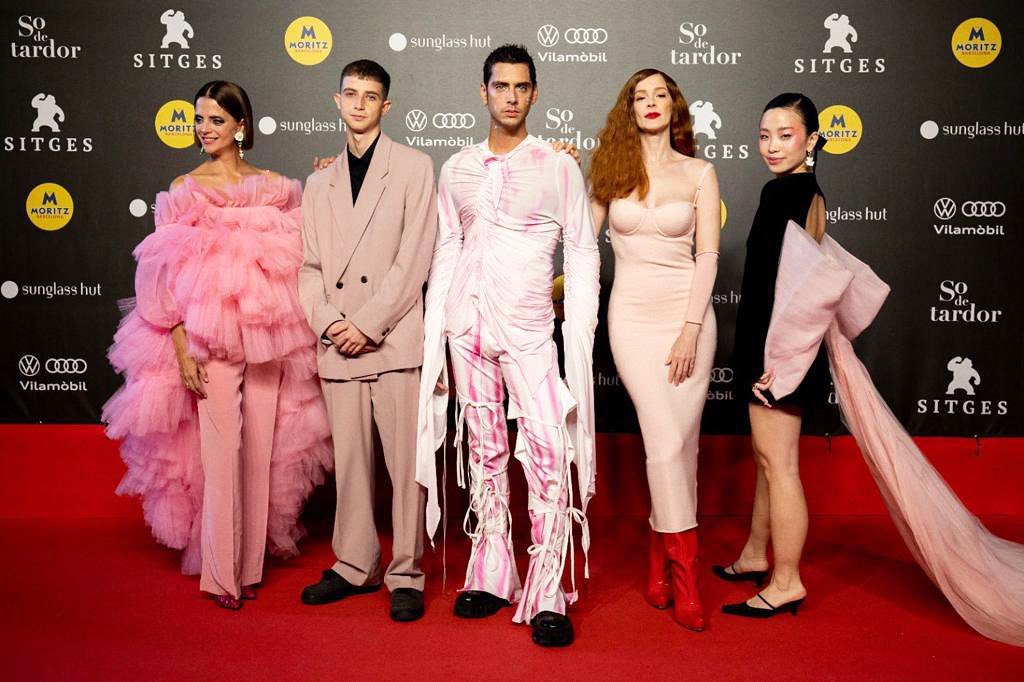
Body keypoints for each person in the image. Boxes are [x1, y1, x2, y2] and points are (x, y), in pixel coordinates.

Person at [103, 80, 332, 611]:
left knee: (261, 452)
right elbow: (159, 277)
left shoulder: (279, 189)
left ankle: (249, 567)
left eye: (214, 120)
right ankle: (221, 575)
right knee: (221, 451)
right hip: (209, 341)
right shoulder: (184, 190)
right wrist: (181, 345)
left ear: (241, 127)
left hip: (272, 338)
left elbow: (309, 248)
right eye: (199, 120)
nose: (204, 129)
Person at [415, 44, 600, 647]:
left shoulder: (558, 166)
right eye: (501, 86)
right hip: (465, 328)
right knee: (484, 448)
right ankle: (491, 572)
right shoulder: (457, 167)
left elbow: (581, 250)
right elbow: (447, 247)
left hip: (527, 329)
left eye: (522, 87)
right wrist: (438, 330)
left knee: (548, 451)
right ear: (484, 91)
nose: (511, 97)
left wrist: (578, 333)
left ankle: (548, 589)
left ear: (535, 94)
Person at [297, 60, 437, 622]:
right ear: (336, 102)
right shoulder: (318, 181)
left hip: (392, 338)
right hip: (337, 342)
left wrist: (367, 324)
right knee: (352, 463)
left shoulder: (414, 166)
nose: (358, 104)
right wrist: (331, 323)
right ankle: (355, 563)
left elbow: (415, 260)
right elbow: (307, 267)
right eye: (350, 94)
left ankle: (406, 571)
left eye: (370, 96)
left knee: (406, 467)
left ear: (387, 106)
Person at [587, 69, 720, 631]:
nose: (650, 104)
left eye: (659, 95)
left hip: (687, 318)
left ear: (674, 106)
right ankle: (686, 572)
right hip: (632, 318)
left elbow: (708, 256)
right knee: (665, 441)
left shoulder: (700, 172)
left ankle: (661, 564)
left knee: (679, 444)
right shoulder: (609, 171)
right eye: (639, 97)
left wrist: (691, 327)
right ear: (629, 109)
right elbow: (578, 243)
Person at [714, 93, 828, 617]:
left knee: (779, 465)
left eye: (785, 135)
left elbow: (800, 292)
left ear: (811, 140)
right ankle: (757, 554)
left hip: (780, 352)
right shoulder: (787, 189)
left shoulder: (793, 192)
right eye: (765, 135)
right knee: (767, 462)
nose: (772, 146)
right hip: (772, 347)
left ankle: (787, 581)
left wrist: (779, 359)